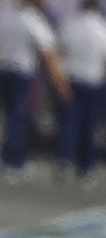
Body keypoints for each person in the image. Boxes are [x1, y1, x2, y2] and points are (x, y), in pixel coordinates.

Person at [0, 0, 71, 181]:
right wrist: (60, 82)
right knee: (18, 119)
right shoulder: (32, 20)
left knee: (8, 118)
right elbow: (48, 53)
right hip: (20, 73)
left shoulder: (5, 18)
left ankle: (6, 160)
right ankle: (13, 161)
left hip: (2, 72)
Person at [54, 0, 106, 184]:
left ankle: (64, 161)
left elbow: (58, 51)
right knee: (89, 127)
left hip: (71, 79)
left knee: (68, 123)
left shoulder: (70, 25)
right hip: (93, 81)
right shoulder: (101, 28)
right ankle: (85, 168)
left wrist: (60, 80)